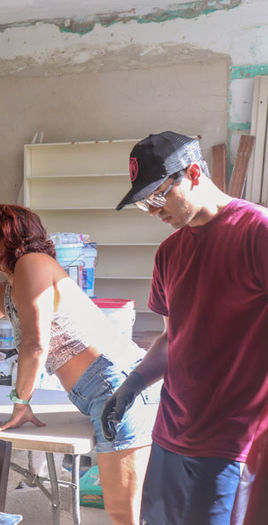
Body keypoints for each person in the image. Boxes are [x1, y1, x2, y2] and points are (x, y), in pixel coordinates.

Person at [0, 204, 156, 525]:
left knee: (125, 514)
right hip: (101, 391)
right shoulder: (7, 291)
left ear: (7, 238)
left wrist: (21, 402)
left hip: (117, 387)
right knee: (125, 513)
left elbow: (35, 344)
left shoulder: (33, 264)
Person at [102, 131, 268, 525]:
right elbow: (173, 337)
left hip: (233, 441)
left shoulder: (256, 232)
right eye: (144, 204)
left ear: (193, 172)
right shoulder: (170, 254)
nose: (155, 212)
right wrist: (133, 384)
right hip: (171, 434)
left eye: (159, 196)